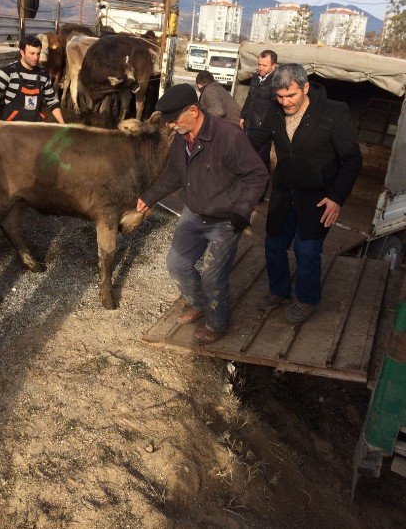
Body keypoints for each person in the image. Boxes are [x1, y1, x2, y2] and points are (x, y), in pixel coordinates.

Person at [136, 84, 268, 344]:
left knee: (213, 276)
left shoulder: (229, 136)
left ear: (193, 111)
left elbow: (257, 174)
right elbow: (174, 174)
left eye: (175, 121)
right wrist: (149, 197)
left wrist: (242, 211)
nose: (172, 127)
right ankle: (198, 304)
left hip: (225, 219)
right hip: (194, 212)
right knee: (177, 264)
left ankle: (217, 324)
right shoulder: (182, 139)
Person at [248, 64, 362, 324]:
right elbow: (256, 139)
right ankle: (278, 291)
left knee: (306, 250)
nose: (285, 102)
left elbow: (352, 159)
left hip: (318, 198)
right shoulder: (276, 111)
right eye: (280, 96)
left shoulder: (333, 112)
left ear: (305, 88)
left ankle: (307, 299)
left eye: (291, 96)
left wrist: (336, 197)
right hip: (283, 194)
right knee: (273, 245)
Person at [0, 36, 64, 123]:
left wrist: (63, 124)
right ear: (22, 52)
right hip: (12, 128)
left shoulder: (43, 74)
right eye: (32, 53)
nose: (36, 57)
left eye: (38, 53)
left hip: (35, 127)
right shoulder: (9, 71)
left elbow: (52, 100)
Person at [239, 50, 278, 176]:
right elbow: (250, 98)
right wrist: (243, 116)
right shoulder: (256, 77)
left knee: (261, 161)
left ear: (273, 66)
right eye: (259, 64)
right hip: (249, 124)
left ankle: (261, 188)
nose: (260, 68)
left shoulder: (276, 82)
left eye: (264, 65)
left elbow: (274, 107)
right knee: (246, 156)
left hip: (263, 128)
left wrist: (265, 125)